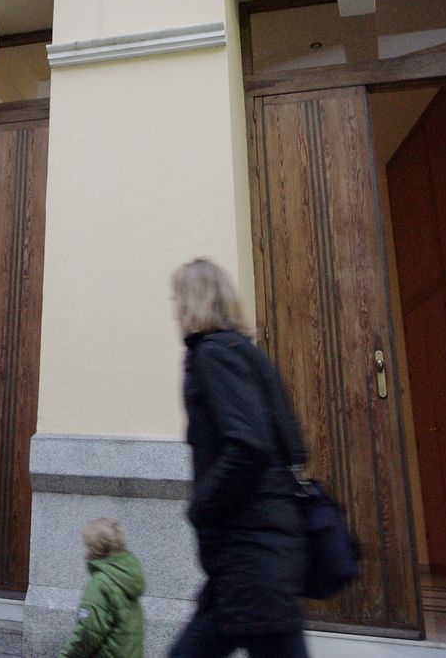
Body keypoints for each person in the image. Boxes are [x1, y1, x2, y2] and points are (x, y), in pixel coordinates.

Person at [169, 258, 309, 658]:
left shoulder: (214, 355)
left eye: (178, 299)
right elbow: (292, 445)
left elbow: (249, 445)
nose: (175, 309)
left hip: (250, 551)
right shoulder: (245, 353)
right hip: (256, 551)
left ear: (193, 301)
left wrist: (201, 506)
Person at [59, 517, 146, 658]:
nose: (85, 552)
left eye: (87, 546)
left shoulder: (101, 584)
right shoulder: (126, 577)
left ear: (95, 550)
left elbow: (87, 634)